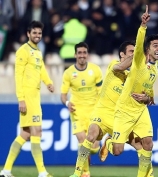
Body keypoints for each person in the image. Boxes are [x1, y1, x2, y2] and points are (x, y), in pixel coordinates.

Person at [69, 40, 154, 177]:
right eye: (131, 52)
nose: (134, 54)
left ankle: (109, 143)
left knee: (130, 148)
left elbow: (148, 97)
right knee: (91, 135)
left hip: (119, 118)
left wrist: (147, 99)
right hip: (102, 112)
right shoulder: (114, 65)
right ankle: (77, 173)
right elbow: (121, 66)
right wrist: (140, 52)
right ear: (122, 54)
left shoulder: (134, 78)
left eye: (135, 52)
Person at [104, 5, 158, 177]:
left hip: (140, 111)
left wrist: (149, 98)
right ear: (148, 49)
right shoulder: (138, 61)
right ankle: (109, 143)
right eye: (156, 46)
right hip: (124, 110)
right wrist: (143, 26)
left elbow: (149, 87)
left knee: (148, 143)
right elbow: (138, 44)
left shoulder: (156, 66)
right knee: (117, 150)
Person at [0, 21, 54, 177]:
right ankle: (42, 172)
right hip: (28, 97)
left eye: (39, 33)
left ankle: (6, 170)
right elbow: (18, 75)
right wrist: (21, 99)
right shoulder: (23, 51)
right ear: (28, 34)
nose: (37, 35)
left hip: (35, 97)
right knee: (37, 131)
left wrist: (48, 82)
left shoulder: (37, 52)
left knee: (25, 134)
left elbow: (42, 68)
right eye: (34, 33)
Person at [60, 42, 103, 177]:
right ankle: (85, 172)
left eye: (84, 53)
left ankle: (92, 151)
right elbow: (63, 95)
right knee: (81, 140)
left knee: (94, 147)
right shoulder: (68, 73)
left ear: (87, 55)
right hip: (76, 111)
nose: (82, 55)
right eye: (79, 53)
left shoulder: (95, 70)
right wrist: (67, 103)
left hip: (93, 111)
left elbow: (101, 92)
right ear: (75, 55)